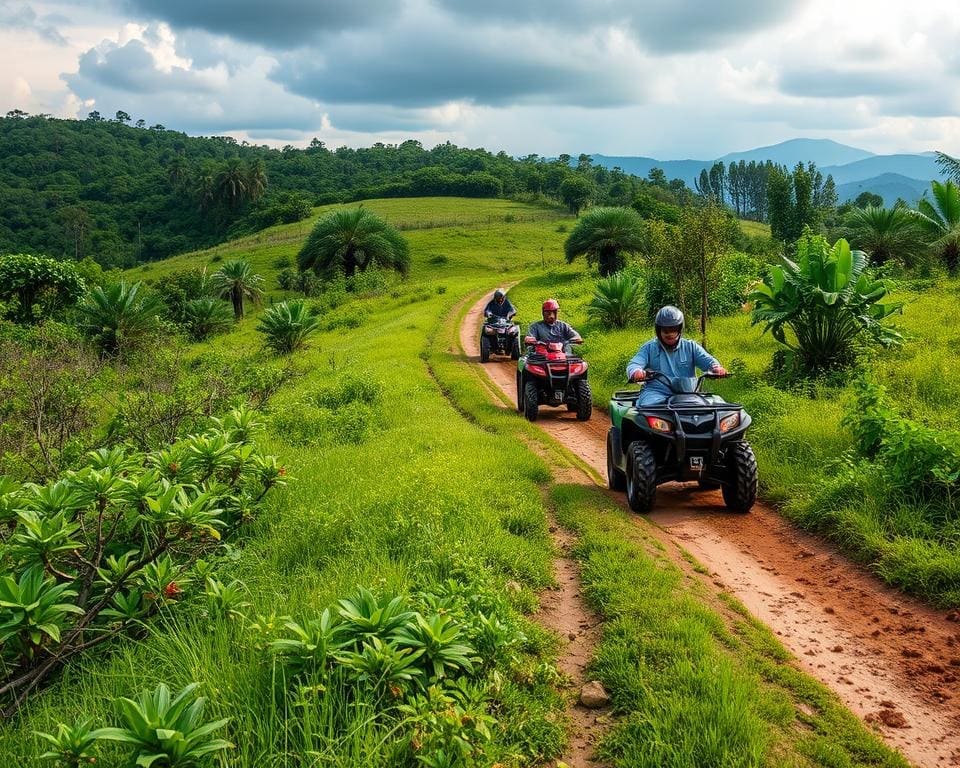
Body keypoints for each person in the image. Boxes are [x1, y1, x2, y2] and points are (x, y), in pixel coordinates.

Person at [625, 305, 728, 406]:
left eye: (673, 329)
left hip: (689, 395)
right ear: (658, 330)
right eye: (665, 330)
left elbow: (709, 361)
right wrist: (636, 372)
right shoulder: (649, 348)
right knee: (648, 408)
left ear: (680, 329)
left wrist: (717, 368)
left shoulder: (691, 347)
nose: (669, 334)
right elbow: (634, 364)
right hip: (656, 394)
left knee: (716, 408)